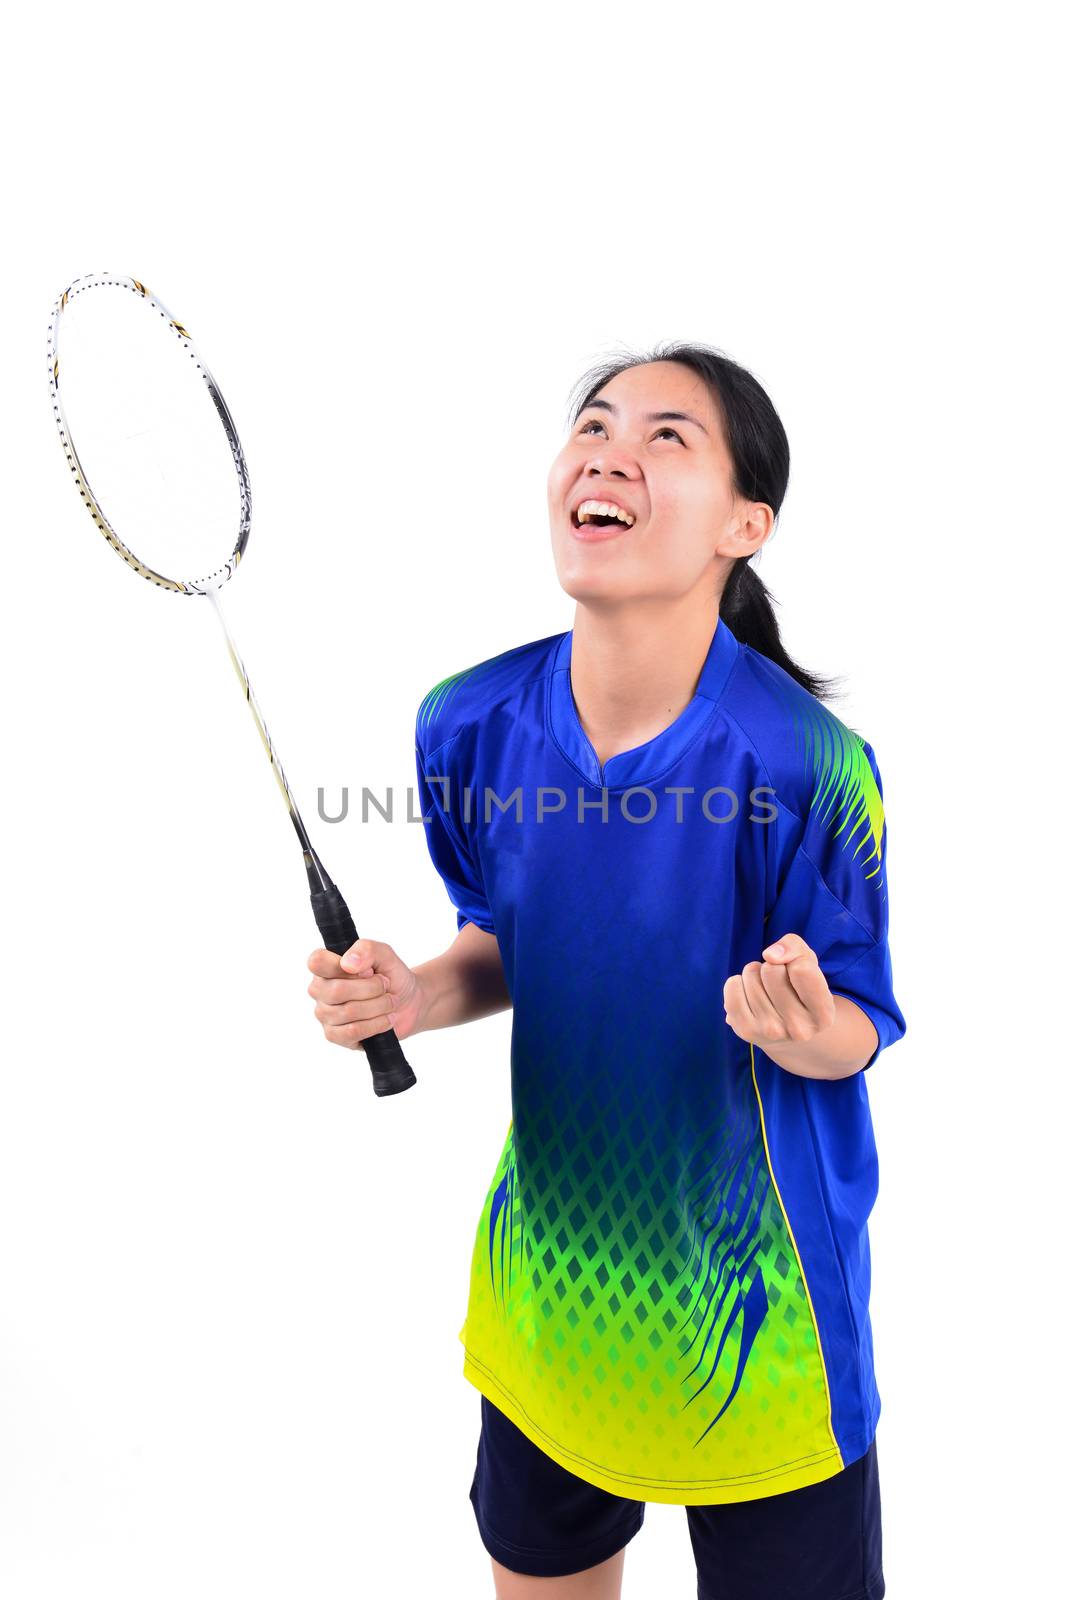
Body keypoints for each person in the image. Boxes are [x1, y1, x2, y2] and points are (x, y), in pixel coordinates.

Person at [307, 344, 904, 1600]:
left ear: (748, 523)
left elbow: (859, 1020)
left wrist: (802, 1031)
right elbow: (507, 940)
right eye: (591, 424)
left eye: (668, 436)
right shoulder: (466, 723)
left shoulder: (809, 768)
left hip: (762, 1335)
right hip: (553, 1302)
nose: (607, 449)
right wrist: (418, 989)